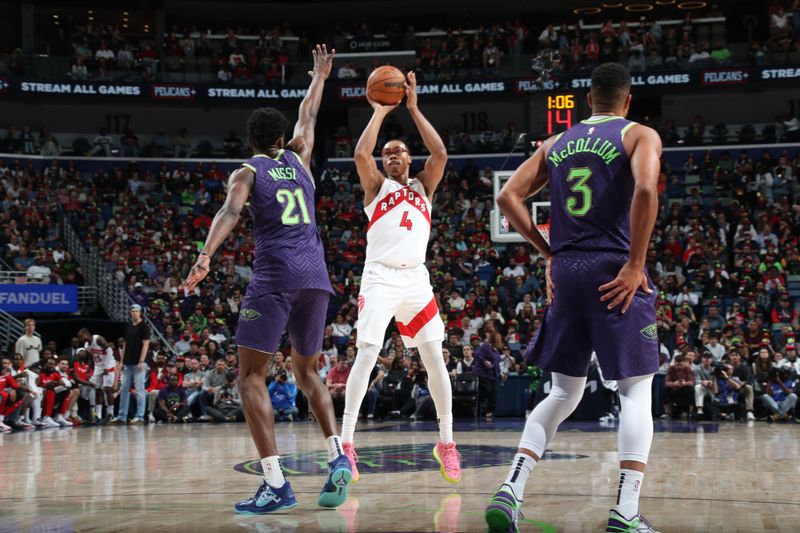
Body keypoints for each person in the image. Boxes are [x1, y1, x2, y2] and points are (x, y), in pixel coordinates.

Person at [487, 63, 662, 533]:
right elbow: (646, 188)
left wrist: (549, 252)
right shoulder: (639, 134)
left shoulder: (556, 143)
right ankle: (625, 511)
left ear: (589, 101)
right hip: (612, 270)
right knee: (635, 391)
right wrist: (636, 264)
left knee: (563, 391)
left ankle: (511, 488)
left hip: (566, 271)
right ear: (627, 101)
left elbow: (507, 197)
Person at [180, 44, 352, 514]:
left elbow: (231, 210)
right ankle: (338, 453)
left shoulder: (246, 170)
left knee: (250, 378)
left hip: (275, 278)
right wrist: (319, 76)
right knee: (307, 372)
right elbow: (309, 115)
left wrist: (205, 256)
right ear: (282, 138)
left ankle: (275, 484)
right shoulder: (300, 160)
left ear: (250, 141)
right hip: (317, 278)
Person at [344, 69, 461, 486]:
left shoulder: (424, 186)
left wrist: (413, 108)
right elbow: (361, 155)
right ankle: (346, 445)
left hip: (416, 280)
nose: (392, 156)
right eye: (388, 152)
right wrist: (379, 111)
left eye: (399, 151)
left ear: (409, 159)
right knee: (367, 352)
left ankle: (446, 443)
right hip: (378, 278)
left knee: (435, 359)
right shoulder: (376, 186)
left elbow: (442, 154)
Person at [113, 304, 150, 424]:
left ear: (140, 313)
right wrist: (121, 361)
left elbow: (145, 344)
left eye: (136, 311)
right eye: (132, 311)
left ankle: (140, 416)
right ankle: (122, 416)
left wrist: (141, 361)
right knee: (124, 389)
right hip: (127, 363)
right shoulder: (128, 326)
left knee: (139, 390)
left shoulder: (144, 326)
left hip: (138, 363)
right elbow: (125, 345)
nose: (134, 313)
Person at [78, 328, 119, 424]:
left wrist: (106, 366)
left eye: (81, 337)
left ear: (87, 334)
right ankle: (98, 415)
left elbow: (109, 351)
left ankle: (110, 413)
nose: (81, 339)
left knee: (107, 388)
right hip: (98, 366)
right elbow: (91, 358)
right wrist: (89, 369)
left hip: (108, 364)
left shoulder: (98, 339)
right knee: (97, 389)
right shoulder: (86, 345)